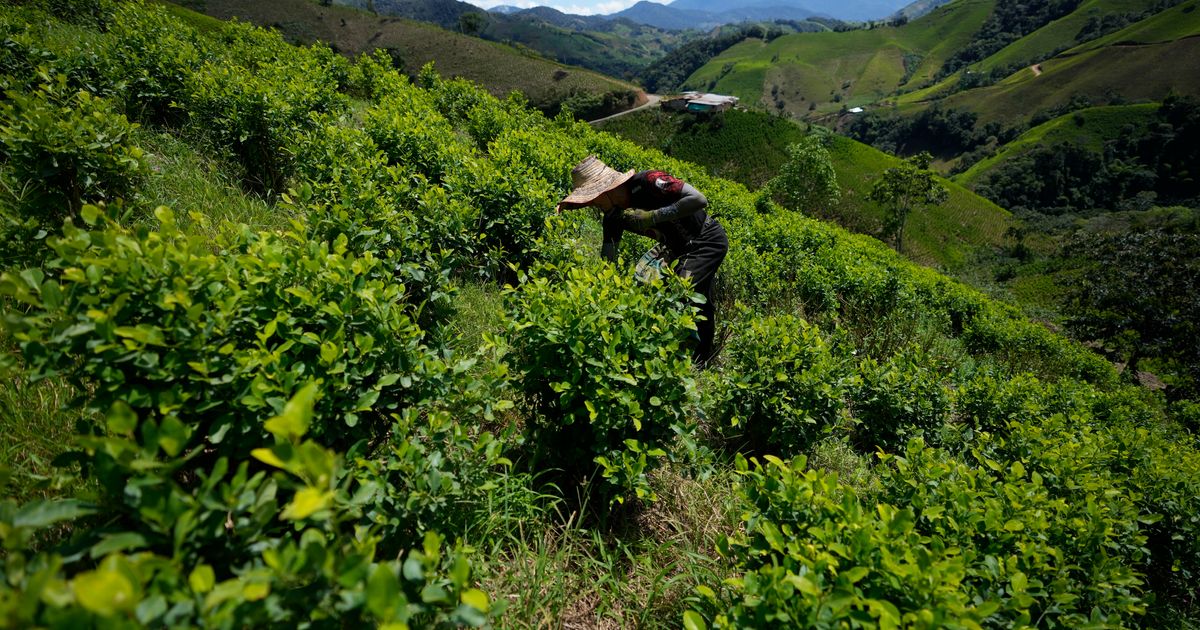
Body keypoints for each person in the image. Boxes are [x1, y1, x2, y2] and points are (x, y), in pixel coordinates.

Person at [556, 155, 728, 365]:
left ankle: (685, 361)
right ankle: (701, 357)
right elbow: (607, 261)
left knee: (680, 291)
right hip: (675, 249)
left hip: (706, 240)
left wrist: (652, 217)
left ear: (605, 190)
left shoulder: (648, 182)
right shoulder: (613, 216)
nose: (592, 205)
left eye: (593, 199)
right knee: (685, 297)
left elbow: (699, 200)